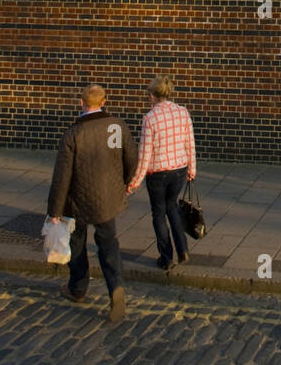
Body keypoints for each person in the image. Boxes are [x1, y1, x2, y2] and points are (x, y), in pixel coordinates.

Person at [46, 83, 137, 323]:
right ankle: (115, 287)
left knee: (77, 244)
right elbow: (131, 158)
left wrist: (54, 210)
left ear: (81, 103)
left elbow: (62, 175)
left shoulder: (74, 133)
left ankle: (78, 288)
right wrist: (125, 182)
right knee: (109, 244)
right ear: (104, 101)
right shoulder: (117, 126)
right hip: (108, 199)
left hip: (78, 200)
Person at [127, 75, 197, 270]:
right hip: (179, 170)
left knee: (158, 213)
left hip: (157, 173)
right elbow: (189, 143)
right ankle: (183, 249)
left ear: (152, 95)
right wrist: (192, 168)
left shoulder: (150, 118)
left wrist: (134, 182)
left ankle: (166, 258)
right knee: (172, 207)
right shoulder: (183, 112)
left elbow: (145, 154)